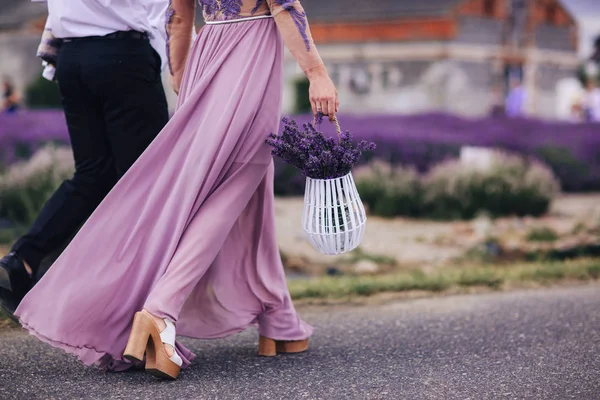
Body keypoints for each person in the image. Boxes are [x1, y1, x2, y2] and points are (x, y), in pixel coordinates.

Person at [15, 0, 338, 380]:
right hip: (249, 55)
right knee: (239, 179)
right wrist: (316, 72)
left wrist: (182, 69)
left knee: (250, 179)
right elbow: (284, 5)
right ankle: (160, 312)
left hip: (207, 53)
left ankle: (278, 318)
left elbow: (179, 13)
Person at [0, 1, 171, 319]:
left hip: (72, 57)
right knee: (145, 180)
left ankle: (24, 257)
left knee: (94, 174)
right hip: (122, 54)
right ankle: (125, 299)